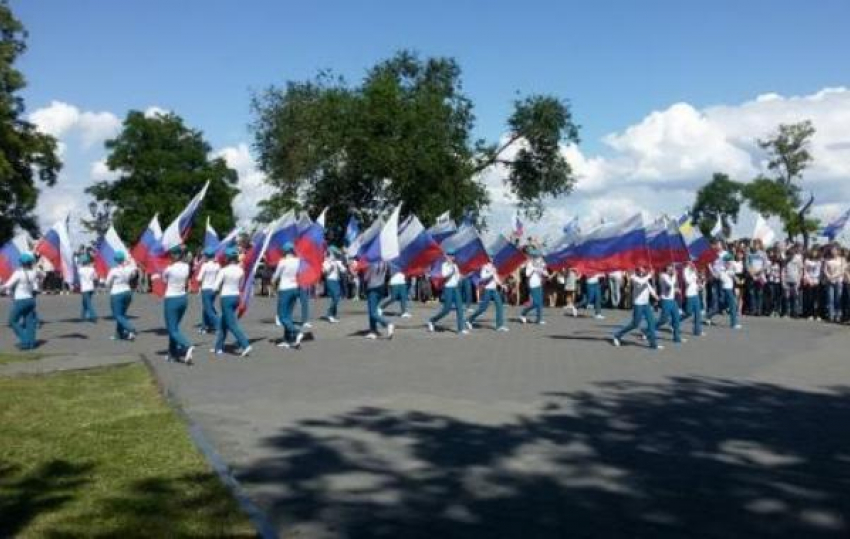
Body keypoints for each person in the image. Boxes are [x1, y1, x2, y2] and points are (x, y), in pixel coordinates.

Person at [212, 248, 252, 357]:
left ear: (227, 258)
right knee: (223, 322)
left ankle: (245, 344)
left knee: (231, 324)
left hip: (226, 297)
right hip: (236, 297)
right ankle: (218, 347)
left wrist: (214, 292)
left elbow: (216, 286)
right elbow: (241, 285)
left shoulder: (223, 270)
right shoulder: (240, 271)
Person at [611, 266, 662, 350]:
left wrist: (655, 295)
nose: (642, 271)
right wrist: (649, 275)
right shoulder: (633, 277)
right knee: (635, 324)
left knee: (651, 323)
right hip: (638, 304)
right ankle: (617, 335)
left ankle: (653, 344)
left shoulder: (645, 277)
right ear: (637, 270)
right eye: (640, 269)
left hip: (646, 304)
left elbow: (648, 286)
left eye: (644, 269)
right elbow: (641, 282)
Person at [161, 246, 194, 364]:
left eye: (171, 254)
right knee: (174, 327)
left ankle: (187, 345)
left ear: (174, 255)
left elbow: (164, 280)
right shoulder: (186, 267)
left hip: (171, 298)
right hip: (182, 298)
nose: (170, 256)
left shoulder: (169, 269)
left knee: (172, 329)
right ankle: (172, 354)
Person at [2, 252, 40, 349]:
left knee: (12, 321)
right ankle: (31, 343)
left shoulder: (18, 273)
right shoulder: (34, 272)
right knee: (30, 322)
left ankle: (25, 340)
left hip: (21, 300)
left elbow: (8, 285)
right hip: (30, 300)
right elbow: (39, 281)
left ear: (21, 263)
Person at [273, 242, 305, 349]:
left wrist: (272, 281)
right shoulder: (298, 261)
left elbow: (276, 275)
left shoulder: (283, 262)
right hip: (295, 288)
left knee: (282, 316)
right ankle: (287, 339)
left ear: (285, 251)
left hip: (285, 289)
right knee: (288, 316)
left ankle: (296, 332)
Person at [428, 250, 467, 334]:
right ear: (447, 257)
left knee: (460, 308)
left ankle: (461, 328)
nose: (452, 258)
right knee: (447, 309)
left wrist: (461, 277)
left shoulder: (456, 266)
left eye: (453, 256)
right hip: (448, 288)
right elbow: (445, 276)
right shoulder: (444, 265)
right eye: (450, 256)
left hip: (455, 288)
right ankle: (432, 320)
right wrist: (451, 270)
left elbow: (458, 278)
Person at [467, 261, 508, 331]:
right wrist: (491, 273)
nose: (491, 260)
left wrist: (502, 285)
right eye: (490, 258)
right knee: (483, 308)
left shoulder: (493, 267)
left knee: (500, 306)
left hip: (494, 290)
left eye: (492, 257)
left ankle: (499, 326)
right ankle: (469, 319)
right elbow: (483, 277)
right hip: (487, 290)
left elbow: (496, 278)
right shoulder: (484, 267)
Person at [105, 251, 137, 341]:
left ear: (116, 260)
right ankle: (119, 334)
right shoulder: (129, 269)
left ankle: (130, 329)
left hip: (117, 293)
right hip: (127, 292)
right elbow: (134, 273)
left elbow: (107, 283)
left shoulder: (113, 270)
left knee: (117, 315)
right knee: (122, 314)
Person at [364, 259, 394, 339]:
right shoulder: (385, 263)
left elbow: (366, 278)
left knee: (373, 312)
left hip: (372, 288)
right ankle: (373, 330)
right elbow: (388, 274)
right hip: (381, 288)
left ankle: (387, 323)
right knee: (373, 310)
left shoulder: (372, 264)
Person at [708, 255, 741, 329]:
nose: (729, 264)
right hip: (726, 290)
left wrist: (736, 278)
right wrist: (710, 268)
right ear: (724, 262)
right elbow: (716, 276)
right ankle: (733, 324)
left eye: (730, 262)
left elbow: (735, 276)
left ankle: (709, 316)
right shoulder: (721, 270)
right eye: (728, 262)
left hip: (729, 290)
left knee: (721, 307)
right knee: (733, 305)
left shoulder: (730, 269)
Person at [654, 263, 684, 344]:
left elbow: (671, 288)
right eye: (669, 266)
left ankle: (676, 337)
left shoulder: (671, 276)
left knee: (676, 318)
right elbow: (669, 284)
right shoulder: (662, 276)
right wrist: (674, 275)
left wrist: (676, 289)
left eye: (671, 266)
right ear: (665, 267)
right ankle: (648, 330)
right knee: (663, 320)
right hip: (665, 300)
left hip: (672, 300)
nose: (671, 268)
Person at [520, 250, 550, 325]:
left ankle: (539, 320)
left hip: (539, 284)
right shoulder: (530, 264)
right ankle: (523, 313)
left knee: (540, 303)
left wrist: (545, 273)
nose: (539, 258)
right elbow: (527, 274)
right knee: (536, 303)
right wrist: (533, 269)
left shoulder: (541, 263)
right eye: (537, 256)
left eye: (539, 256)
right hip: (532, 284)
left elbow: (545, 272)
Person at [195, 247, 221, 334]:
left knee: (208, 309)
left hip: (206, 289)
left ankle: (218, 326)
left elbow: (199, 278)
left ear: (206, 256)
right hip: (214, 289)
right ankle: (205, 326)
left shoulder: (205, 265)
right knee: (206, 308)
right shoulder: (217, 265)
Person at [679, 261, 705, 336]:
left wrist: (700, 283)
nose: (692, 263)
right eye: (690, 262)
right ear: (687, 262)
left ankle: (697, 331)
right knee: (688, 313)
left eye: (692, 262)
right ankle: (675, 321)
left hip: (695, 293)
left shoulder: (694, 269)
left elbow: (696, 281)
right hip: (689, 294)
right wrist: (692, 273)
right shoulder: (685, 270)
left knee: (698, 313)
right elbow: (687, 282)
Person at [322, 247, 346, 323]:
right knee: (336, 297)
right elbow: (324, 272)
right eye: (334, 253)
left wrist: (340, 266)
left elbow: (344, 270)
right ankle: (329, 314)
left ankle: (333, 314)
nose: (335, 255)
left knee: (336, 298)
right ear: (330, 253)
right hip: (330, 280)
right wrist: (331, 266)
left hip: (336, 280)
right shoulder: (326, 262)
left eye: (335, 254)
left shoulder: (337, 261)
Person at [823, 245, 844, 323]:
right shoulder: (827, 259)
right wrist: (829, 277)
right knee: (830, 299)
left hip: (838, 280)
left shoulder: (841, 259)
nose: (833, 252)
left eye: (835, 250)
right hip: (829, 281)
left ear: (838, 251)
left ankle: (838, 315)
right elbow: (824, 270)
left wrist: (833, 276)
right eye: (832, 250)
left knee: (838, 299)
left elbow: (842, 270)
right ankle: (831, 315)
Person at [747, 240, 768, 316]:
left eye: (757, 244)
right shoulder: (749, 253)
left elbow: (765, 265)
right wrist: (751, 273)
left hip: (760, 275)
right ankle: (753, 310)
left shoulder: (763, 254)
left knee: (759, 293)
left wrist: (759, 272)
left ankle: (759, 311)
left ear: (759, 245)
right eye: (754, 244)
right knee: (752, 293)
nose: (755, 246)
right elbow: (747, 264)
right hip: (752, 276)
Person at [802, 247, 822, 320]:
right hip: (809, 281)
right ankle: (809, 314)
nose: (814, 253)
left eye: (816, 252)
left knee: (817, 299)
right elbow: (805, 271)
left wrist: (817, 280)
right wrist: (808, 280)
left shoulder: (819, 261)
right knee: (810, 298)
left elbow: (820, 272)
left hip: (817, 281)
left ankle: (817, 314)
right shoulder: (807, 261)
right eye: (813, 252)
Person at [783, 246, 803, 318]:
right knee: (787, 297)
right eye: (789, 254)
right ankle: (787, 313)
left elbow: (800, 271)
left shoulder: (798, 260)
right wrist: (783, 282)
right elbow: (783, 271)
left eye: (792, 254)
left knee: (795, 297)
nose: (790, 256)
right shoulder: (785, 261)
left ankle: (795, 312)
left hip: (795, 281)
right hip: (787, 280)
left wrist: (799, 281)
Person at [77, 254, 98, 322]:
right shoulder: (92, 269)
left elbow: (78, 271)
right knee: (85, 302)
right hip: (91, 287)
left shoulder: (80, 270)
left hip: (84, 288)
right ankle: (82, 316)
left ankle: (93, 315)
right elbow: (96, 277)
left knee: (88, 303)